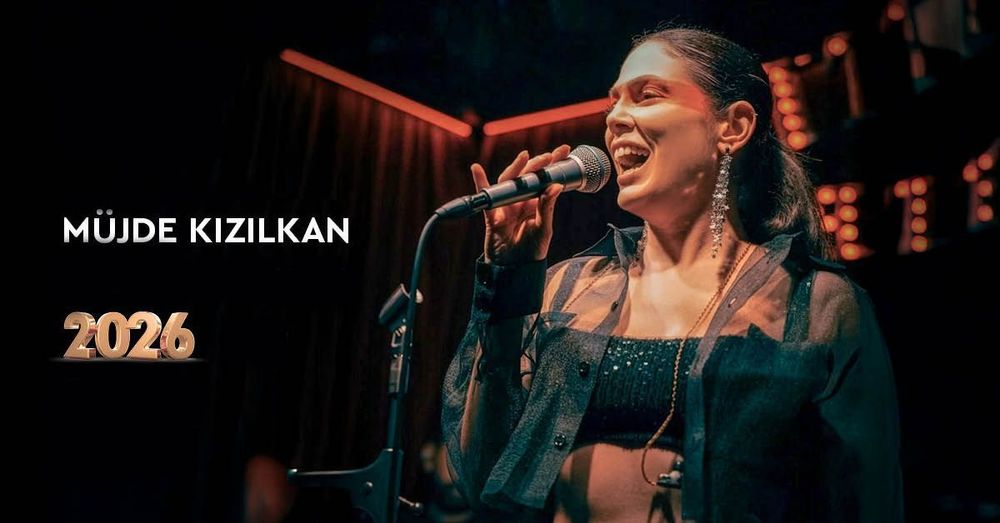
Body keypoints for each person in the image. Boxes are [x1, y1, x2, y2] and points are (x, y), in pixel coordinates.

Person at [441, 26, 903, 523]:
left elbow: (867, 499)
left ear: (733, 127)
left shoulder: (816, 304)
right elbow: (484, 476)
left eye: (648, 95)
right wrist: (510, 281)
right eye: (613, 102)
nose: (615, 118)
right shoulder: (568, 288)